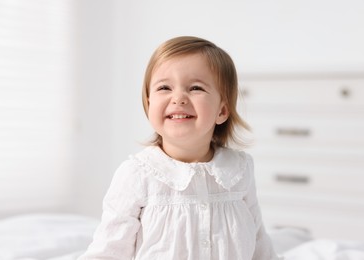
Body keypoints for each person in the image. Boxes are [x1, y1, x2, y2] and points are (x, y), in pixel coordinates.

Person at [78, 36, 280, 259]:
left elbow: (258, 238)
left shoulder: (239, 169)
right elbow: (109, 249)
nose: (178, 98)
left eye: (195, 88)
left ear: (222, 110)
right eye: (164, 87)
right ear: (149, 103)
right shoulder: (137, 175)